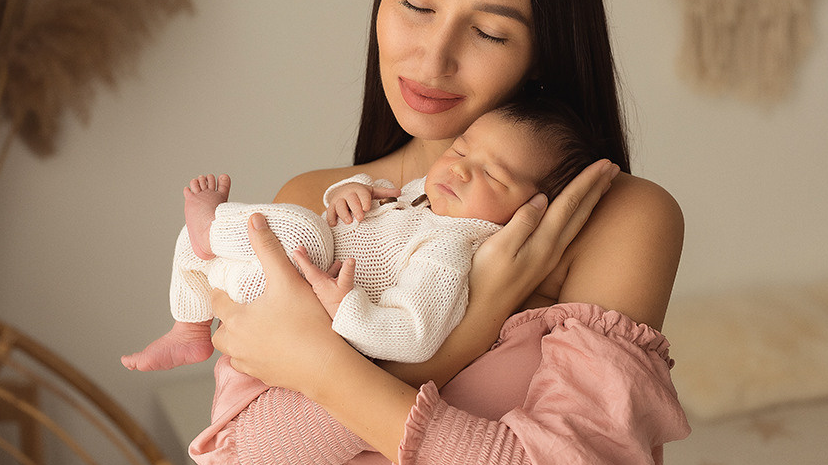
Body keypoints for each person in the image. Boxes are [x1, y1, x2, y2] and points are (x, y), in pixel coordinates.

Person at [190, 0, 690, 465]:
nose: (433, 57)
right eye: (417, 7)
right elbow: (249, 464)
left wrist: (325, 370)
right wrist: (473, 321)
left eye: (488, 32)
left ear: (543, 53)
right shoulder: (316, 203)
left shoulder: (615, 218)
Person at [121, 98, 600, 370]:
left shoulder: (450, 247)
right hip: (274, 284)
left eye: (493, 176)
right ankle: (189, 328)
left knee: (295, 225)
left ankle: (212, 226)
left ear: (528, 212)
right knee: (194, 248)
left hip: (305, 301)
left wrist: (342, 306)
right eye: (459, 151)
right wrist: (348, 192)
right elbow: (368, 205)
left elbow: (414, 334)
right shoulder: (419, 195)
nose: (460, 171)